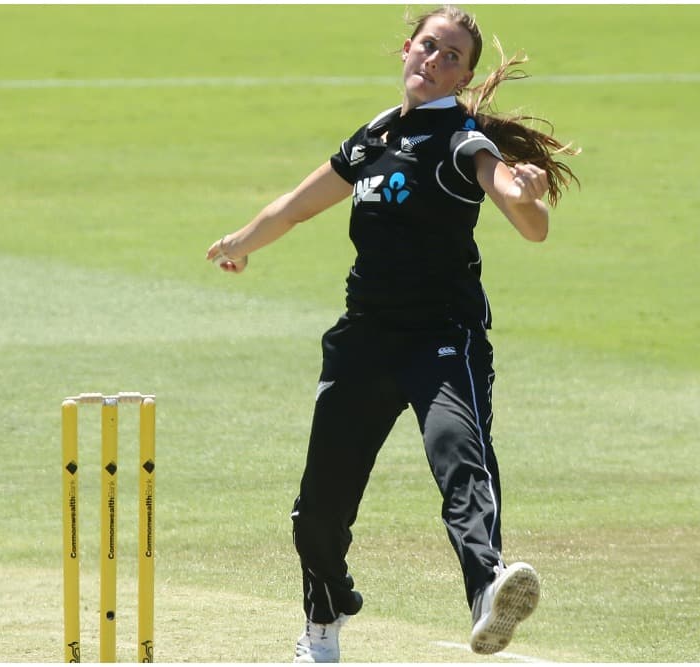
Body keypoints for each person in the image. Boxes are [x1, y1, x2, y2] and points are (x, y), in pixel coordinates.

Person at [206, 5, 578, 662]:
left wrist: (526, 195)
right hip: (364, 341)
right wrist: (242, 241)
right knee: (320, 507)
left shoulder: (466, 142)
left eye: (451, 57)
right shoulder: (372, 137)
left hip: (442, 337)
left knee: (460, 459)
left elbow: (531, 224)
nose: (433, 62)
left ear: (463, 76)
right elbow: (295, 206)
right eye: (428, 47)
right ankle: (323, 624)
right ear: (407, 48)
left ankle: (487, 586)